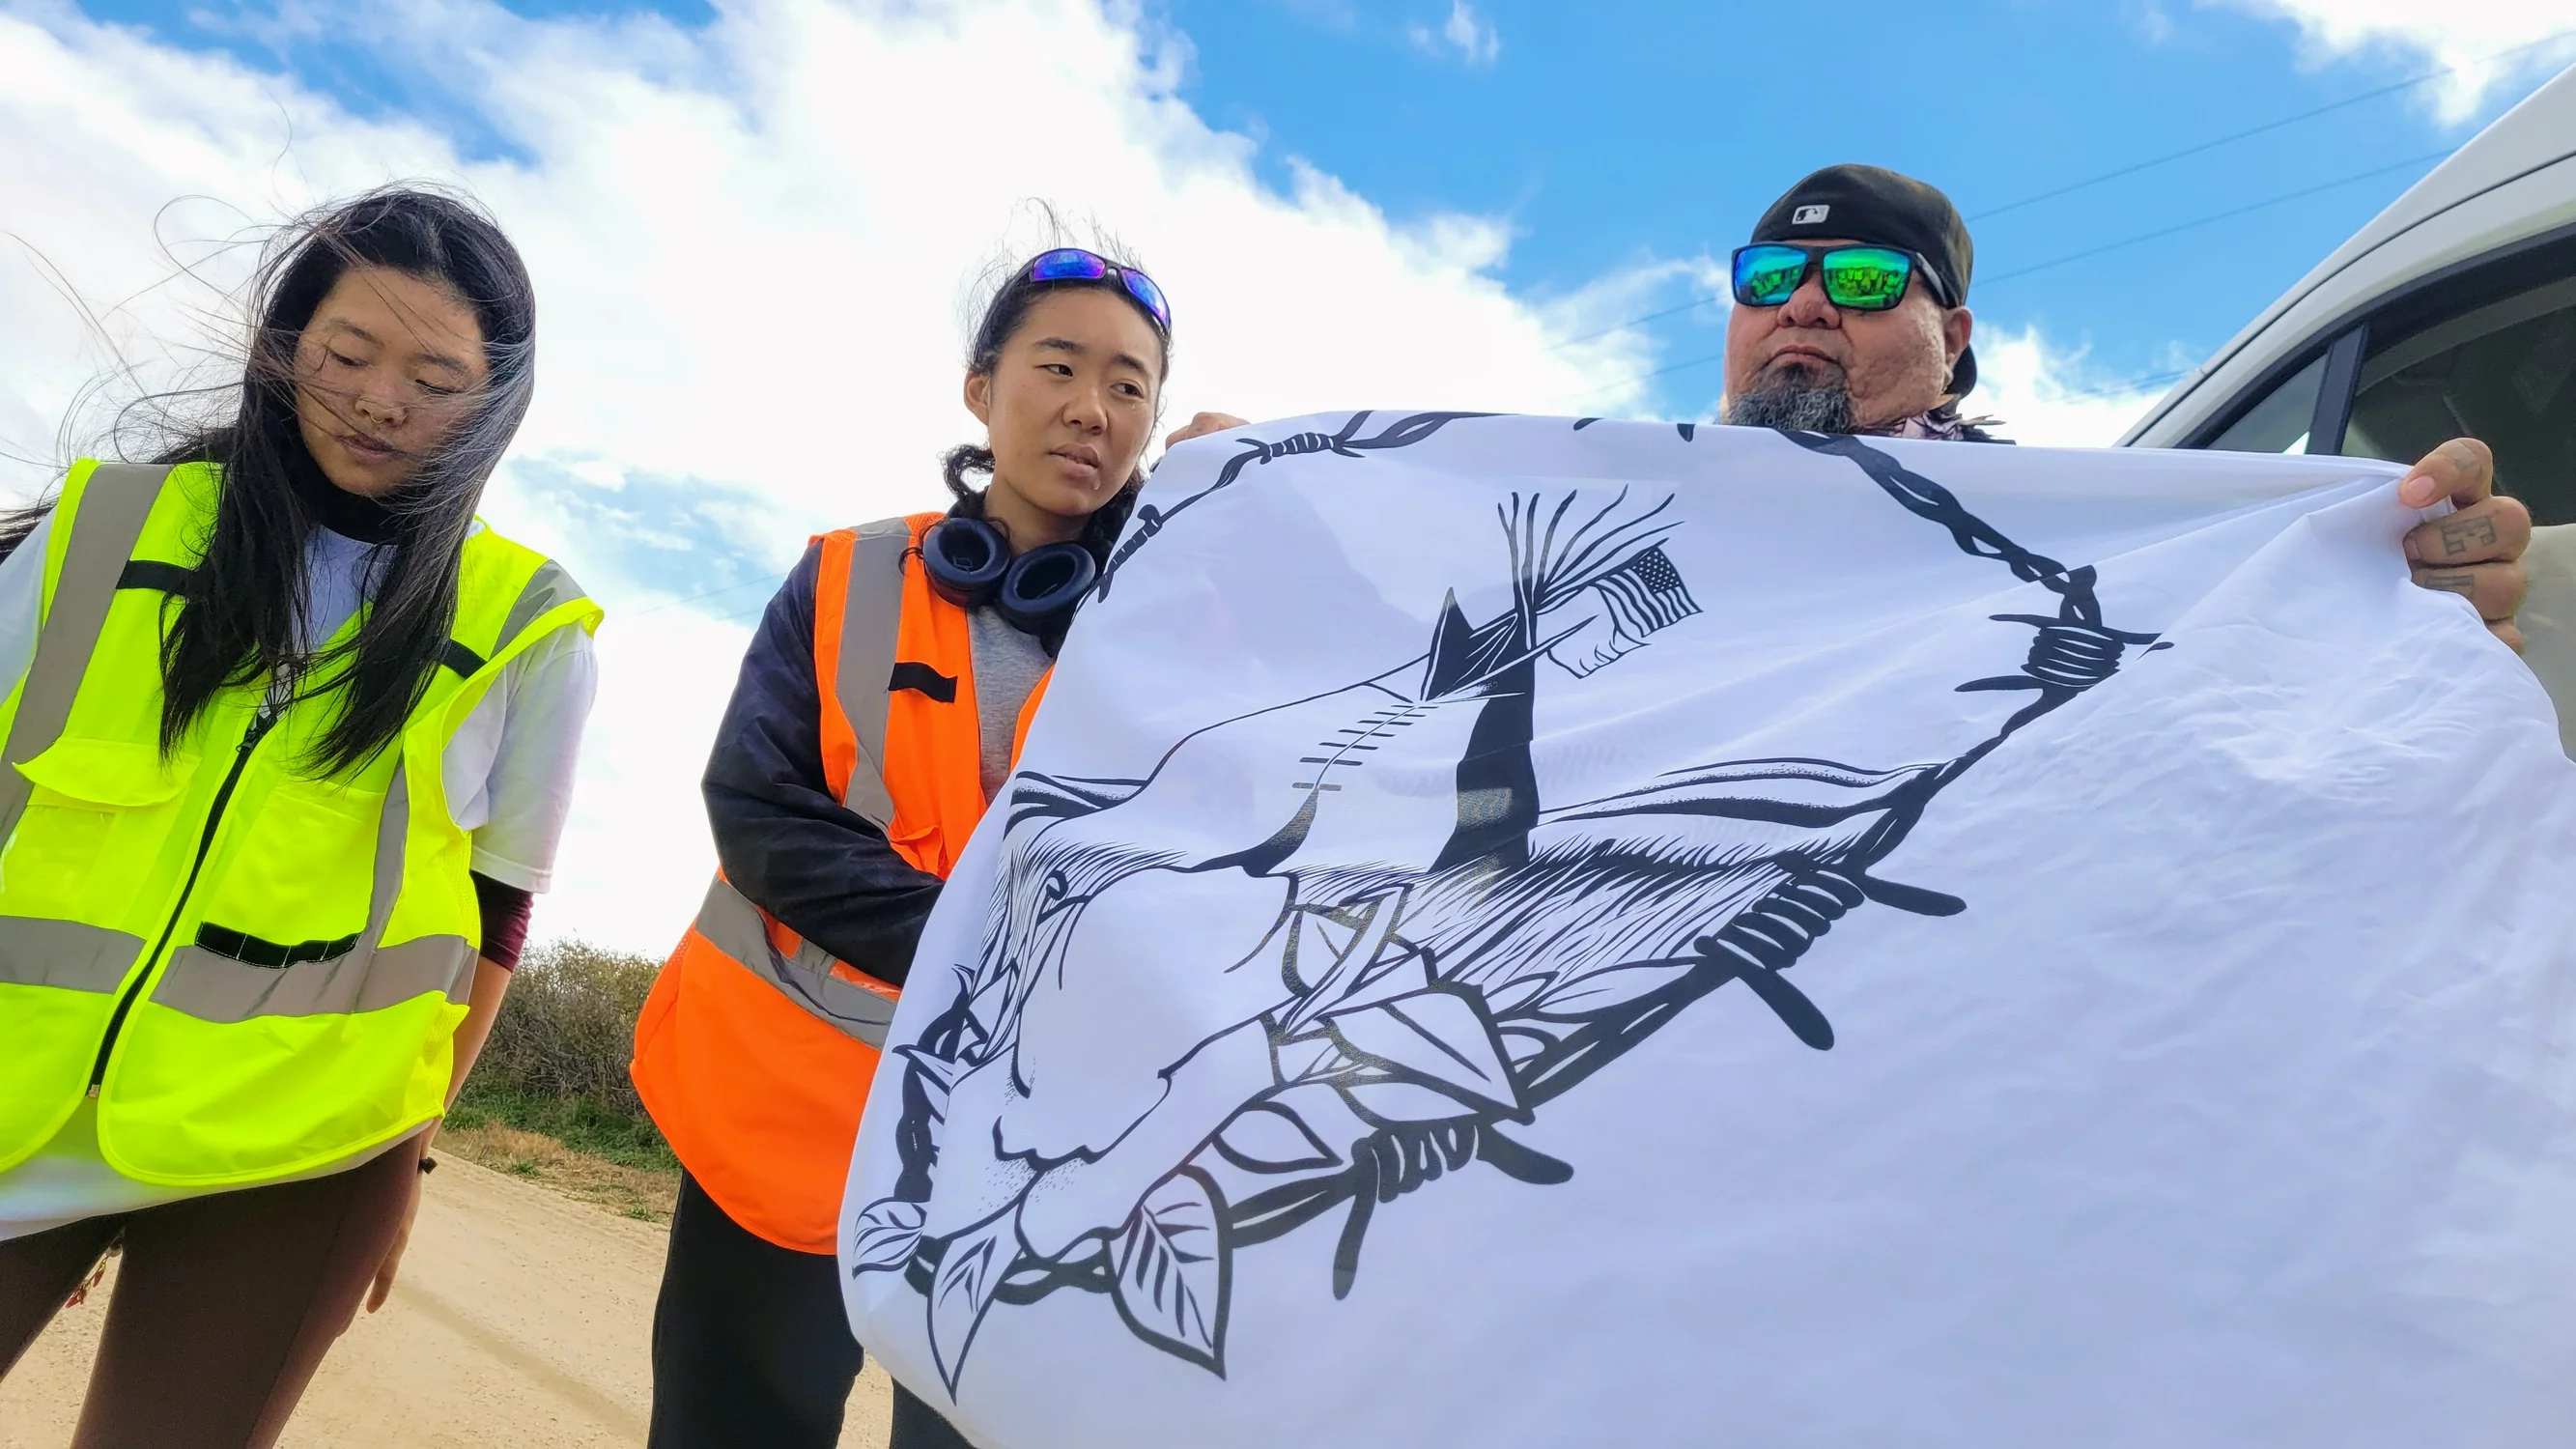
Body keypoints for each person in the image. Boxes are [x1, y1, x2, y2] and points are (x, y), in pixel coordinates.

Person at [0, 187, 601, 1447]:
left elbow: (497, 914)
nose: (381, 402)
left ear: (494, 404)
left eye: (436, 381)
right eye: (347, 354)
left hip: (304, 1150)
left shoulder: (527, 624)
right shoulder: (104, 527)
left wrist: (411, 1157)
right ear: (285, 347)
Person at [630, 240, 1181, 1448]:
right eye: (1058, 366)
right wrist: (978, 957)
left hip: (1026, 1164)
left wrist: (1248, 502)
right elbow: (759, 807)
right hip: (784, 1120)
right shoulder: (847, 578)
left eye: (1130, 385)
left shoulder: (1179, 626)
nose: (1092, 408)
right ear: (982, 389)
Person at [1717, 163, 2532, 644]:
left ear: (1952, 341)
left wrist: (2382, 590)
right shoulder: (1641, 511)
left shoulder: (2059, 535)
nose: (1803, 304)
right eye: (1769, 276)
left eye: (1863, 279)